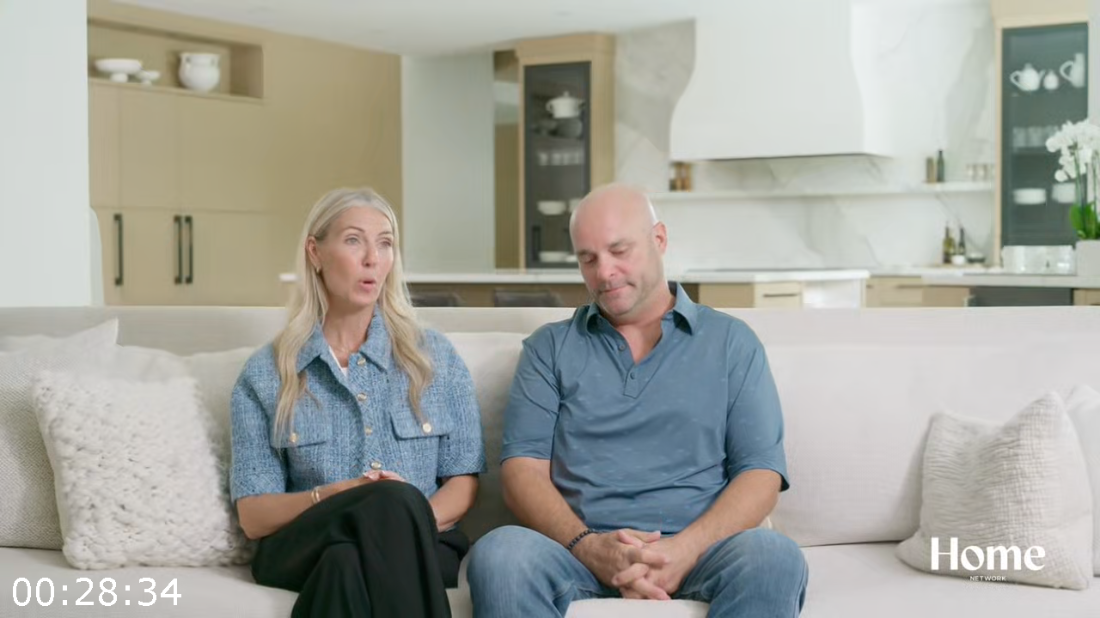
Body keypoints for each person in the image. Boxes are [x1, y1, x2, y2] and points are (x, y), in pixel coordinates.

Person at [466, 184, 807, 617]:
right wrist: (590, 548)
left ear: (658, 239)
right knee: (500, 554)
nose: (604, 272)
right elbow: (522, 472)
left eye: (619, 251)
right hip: (578, 554)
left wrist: (684, 550)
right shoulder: (549, 348)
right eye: (588, 258)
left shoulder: (731, 343)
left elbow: (760, 474)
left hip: (702, 552)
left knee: (774, 556)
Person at [230, 187, 486, 618]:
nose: (373, 258)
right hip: (302, 545)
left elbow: (463, 484)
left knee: (346, 561)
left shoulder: (434, 358)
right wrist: (337, 495)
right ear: (315, 252)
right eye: (354, 241)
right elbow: (254, 516)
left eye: (385, 243)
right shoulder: (266, 374)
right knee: (387, 502)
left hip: (423, 541)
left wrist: (399, 522)